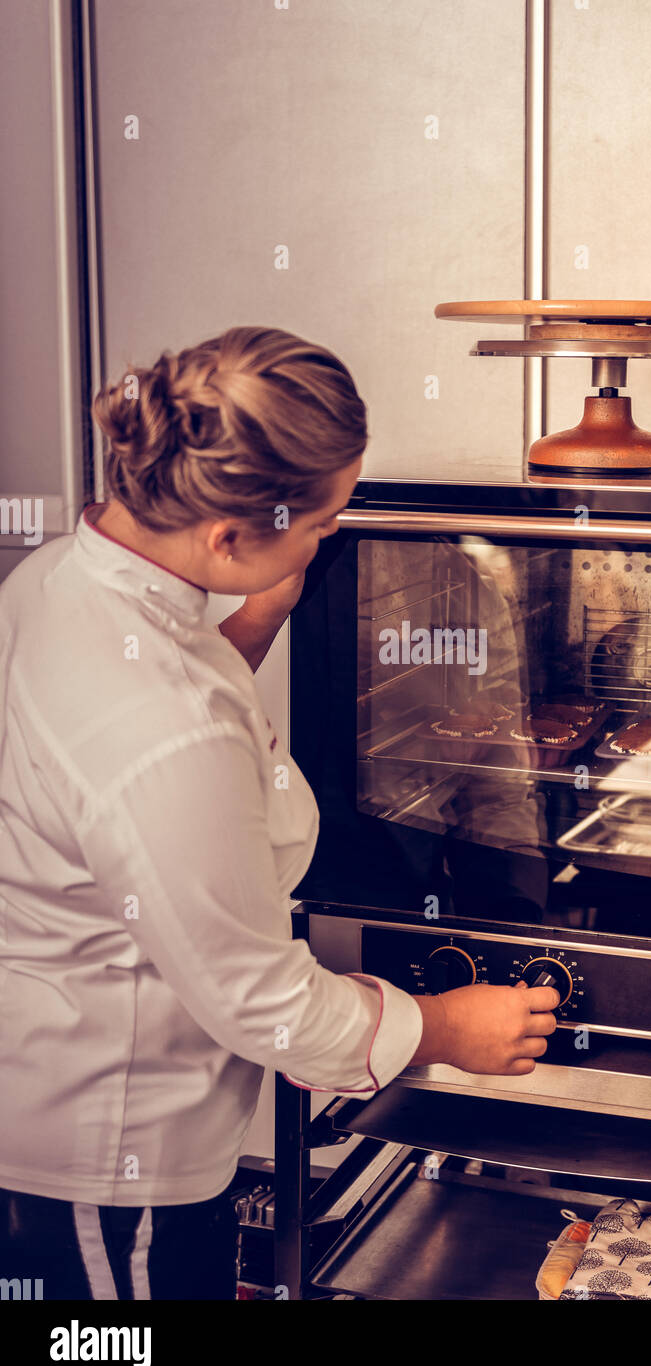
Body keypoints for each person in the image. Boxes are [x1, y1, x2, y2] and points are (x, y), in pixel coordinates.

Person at [0, 325, 558, 1300]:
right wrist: (438, 1026)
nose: (330, 535)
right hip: (104, 1159)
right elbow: (261, 1000)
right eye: (319, 520)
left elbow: (134, 769)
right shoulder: (160, 726)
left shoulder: (59, 577)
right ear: (226, 535)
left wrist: (252, 619)